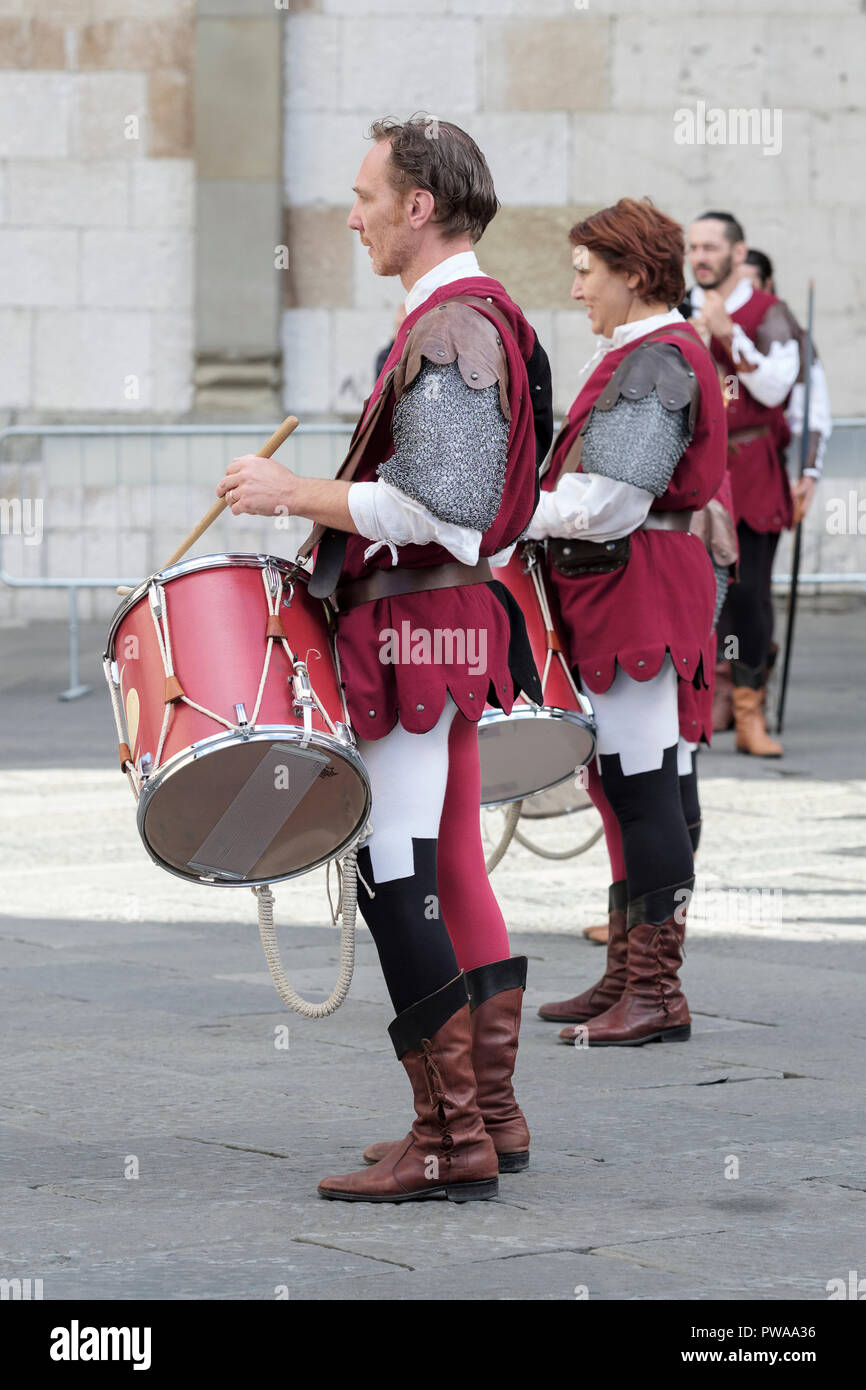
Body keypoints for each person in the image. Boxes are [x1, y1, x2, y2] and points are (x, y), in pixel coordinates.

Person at [217, 116, 553, 1201]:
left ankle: (449, 1139)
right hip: (442, 625)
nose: (349, 215)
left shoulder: (452, 325)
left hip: (417, 628)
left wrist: (290, 494)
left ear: (419, 207)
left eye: (365, 196)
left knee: (390, 868)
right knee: (447, 853)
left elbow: (440, 508)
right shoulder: (467, 316)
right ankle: (485, 1119)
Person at [532, 197, 726, 1046]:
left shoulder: (657, 360)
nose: (575, 289)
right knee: (632, 786)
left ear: (634, 274)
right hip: (629, 587)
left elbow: (607, 504)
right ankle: (628, 975)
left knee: (646, 789)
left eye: (585, 271)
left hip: (638, 589)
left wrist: (503, 514)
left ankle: (654, 993)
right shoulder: (644, 355)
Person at [682, 212, 816, 755]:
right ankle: (703, 700)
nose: (700, 257)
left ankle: (748, 708)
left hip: (752, 465)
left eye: (711, 247)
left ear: (739, 254)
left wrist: (728, 335)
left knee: (749, 592)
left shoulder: (769, 312)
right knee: (695, 590)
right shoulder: (676, 304)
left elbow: (780, 385)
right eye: (694, 247)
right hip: (696, 465)